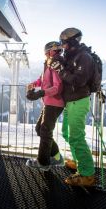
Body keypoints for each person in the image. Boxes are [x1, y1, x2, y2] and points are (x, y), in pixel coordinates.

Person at [52, 27, 96, 186]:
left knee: (76, 137)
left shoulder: (84, 57)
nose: (62, 46)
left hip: (78, 101)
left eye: (64, 43)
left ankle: (87, 174)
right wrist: (58, 61)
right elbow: (67, 70)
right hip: (70, 101)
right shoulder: (72, 56)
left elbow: (78, 81)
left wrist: (60, 70)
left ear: (72, 41)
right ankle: (80, 162)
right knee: (67, 133)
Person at [26, 41, 65, 171]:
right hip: (49, 102)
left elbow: (57, 88)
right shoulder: (49, 64)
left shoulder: (56, 64)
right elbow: (43, 80)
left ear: (49, 51)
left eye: (47, 52)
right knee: (40, 130)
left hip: (55, 103)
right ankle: (57, 157)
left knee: (45, 131)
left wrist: (41, 93)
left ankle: (43, 162)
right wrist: (33, 84)